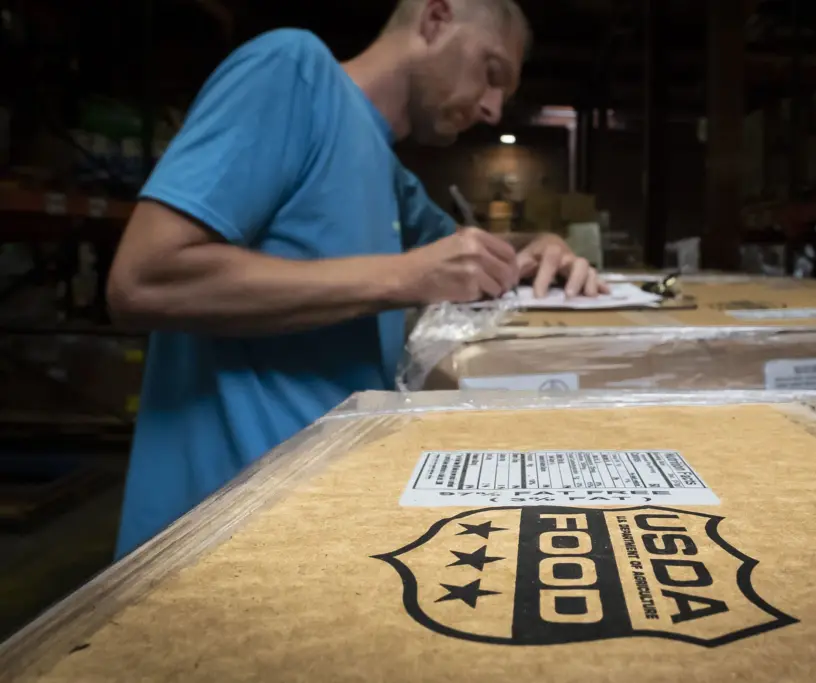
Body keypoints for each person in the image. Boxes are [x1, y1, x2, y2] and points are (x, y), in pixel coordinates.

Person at [106, 0, 606, 559]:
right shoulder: (292, 69)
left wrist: (542, 245)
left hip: (322, 515)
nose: (492, 109)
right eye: (491, 75)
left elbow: (463, 251)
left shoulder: (387, 172)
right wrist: (404, 277)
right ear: (435, 19)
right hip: (221, 536)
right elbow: (143, 278)